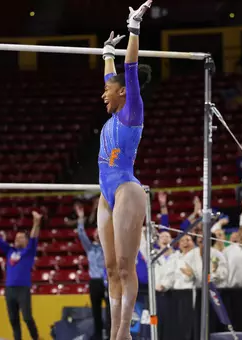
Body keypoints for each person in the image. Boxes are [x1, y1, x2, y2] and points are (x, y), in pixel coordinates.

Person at [97, 1, 153, 339]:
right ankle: (115, 328)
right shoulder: (114, 109)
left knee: (125, 265)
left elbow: (128, 69)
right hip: (105, 193)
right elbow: (112, 73)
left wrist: (134, 28)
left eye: (108, 89)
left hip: (125, 190)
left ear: (122, 93)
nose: (103, 93)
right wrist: (106, 51)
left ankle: (123, 331)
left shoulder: (131, 112)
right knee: (110, 268)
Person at [0, 210, 42, 340]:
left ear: (26, 241)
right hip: (10, 289)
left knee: (27, 317)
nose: (16, 238)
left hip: (23, 289)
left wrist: (36, 222)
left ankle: (36, 338)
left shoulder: (29, 251)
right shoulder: (10, 251)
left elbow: (34, 236)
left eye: (20, 237)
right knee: (13, 320)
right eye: (16, 237)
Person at [75, 203, 109, 340]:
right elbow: (81, 234)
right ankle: (98, 335)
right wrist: (81, 219)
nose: (98, 235)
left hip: (107, 281)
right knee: (96, 310)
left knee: (110, 310)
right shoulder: (90, 248)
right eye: (96, 233)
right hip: (94, 282)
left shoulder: (108, 247)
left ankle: (111, 332)